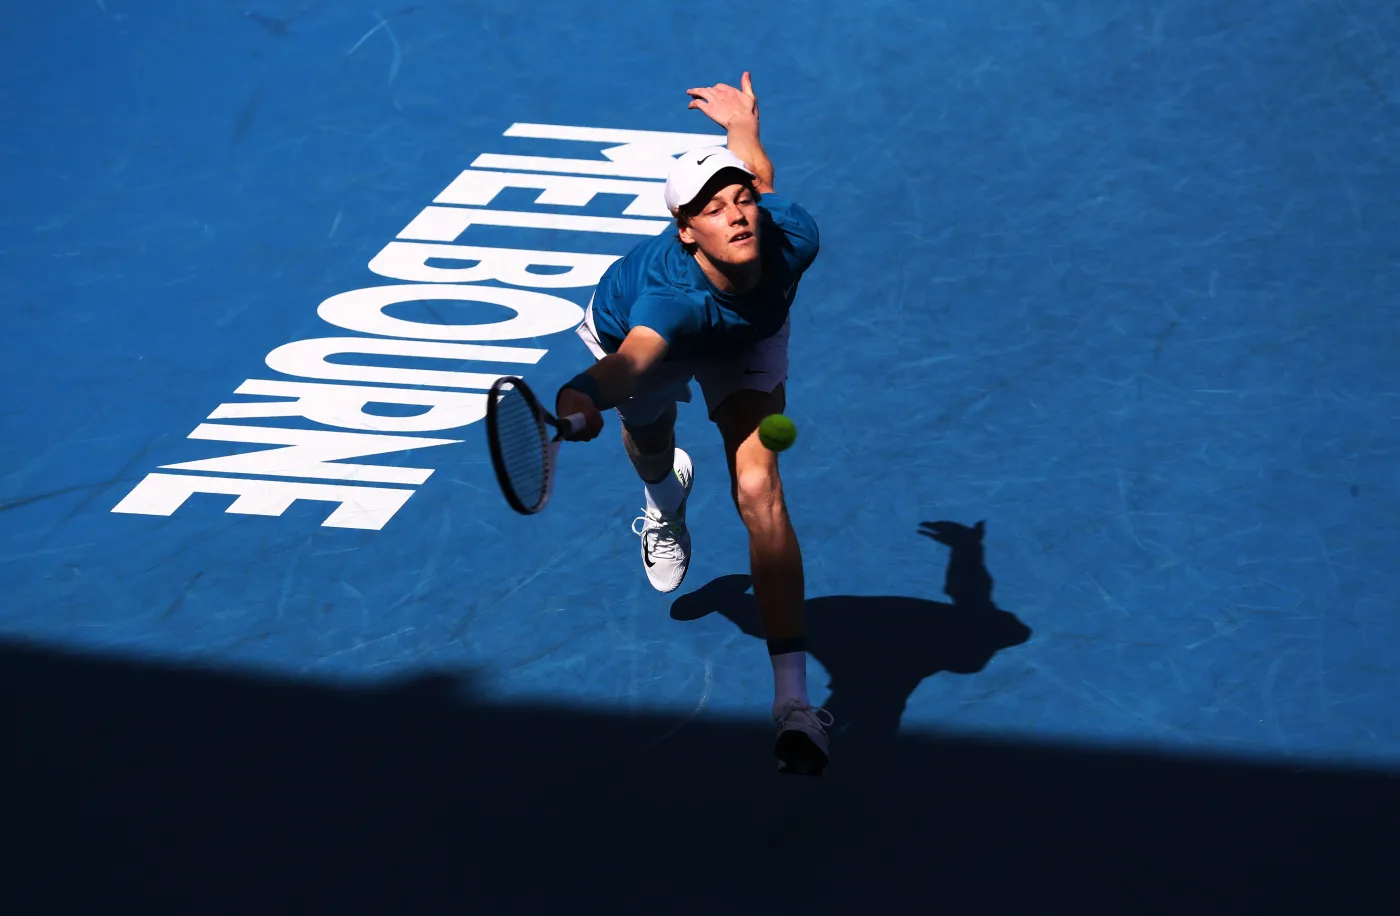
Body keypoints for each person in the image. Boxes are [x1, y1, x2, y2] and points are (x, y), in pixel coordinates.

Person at [554, 72, 831, 775]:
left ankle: (794, 706)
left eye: (739, 203)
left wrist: (743, 127)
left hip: (746, 335)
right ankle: (662, 502)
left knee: (758, 487)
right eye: (713, 209)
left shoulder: (791, 234)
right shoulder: (667, 301)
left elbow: (760, 179)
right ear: (686, 231)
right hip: (642, 337)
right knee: (650, 443)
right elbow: (635, 360)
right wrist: (583, 394)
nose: (737, 215)